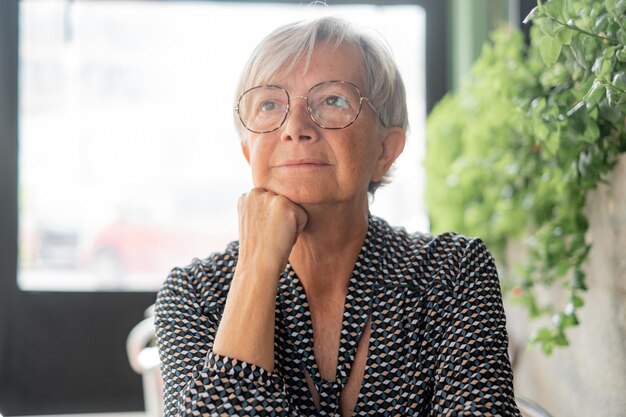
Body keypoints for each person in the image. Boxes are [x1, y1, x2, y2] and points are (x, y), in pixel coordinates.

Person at [155, 16, 521, 417]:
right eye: (270, 105)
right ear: (249, 152)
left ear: (385, 150)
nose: (295, 128)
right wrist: (256, 271)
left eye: (332, 100)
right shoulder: (194, 295)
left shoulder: (452, 272)